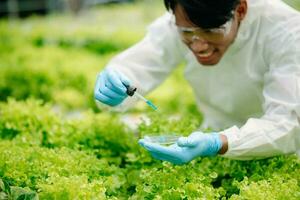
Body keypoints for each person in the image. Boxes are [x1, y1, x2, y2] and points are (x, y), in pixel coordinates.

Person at [94, 0, 300, 164]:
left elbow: (287, 124)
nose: (199, 46)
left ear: (240, 10)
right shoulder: (183, 17)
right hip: (211, 145)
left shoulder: (288, 33)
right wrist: (115, 83)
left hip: (282, 154)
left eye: (211, 31)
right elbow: (137, 66)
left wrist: (217, 142)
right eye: (187, 33)